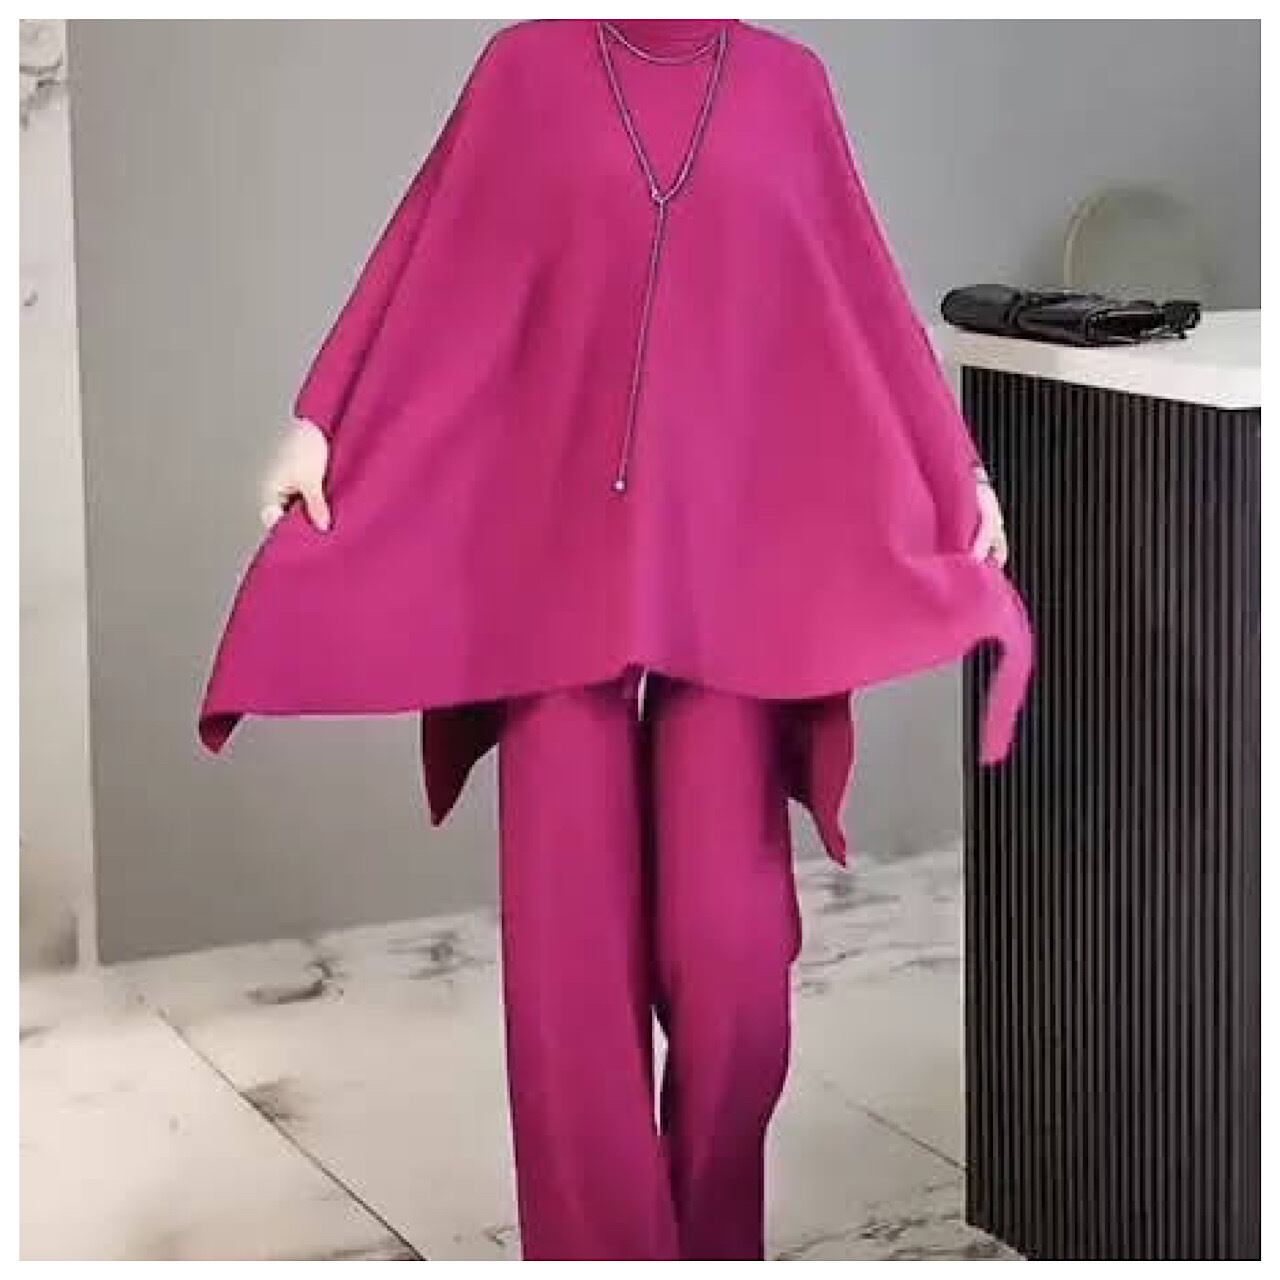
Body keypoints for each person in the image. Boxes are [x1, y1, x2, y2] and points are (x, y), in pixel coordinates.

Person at [199, 19, 1031, 1261]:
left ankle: (709, 1242)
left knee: (731, 958)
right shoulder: (525, 67)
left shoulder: (788, 85)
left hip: (731, 566)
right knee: (569, 972)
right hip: (550, 561)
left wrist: (950, 466)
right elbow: (427, 247)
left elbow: (860, 285)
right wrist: (323, 417)